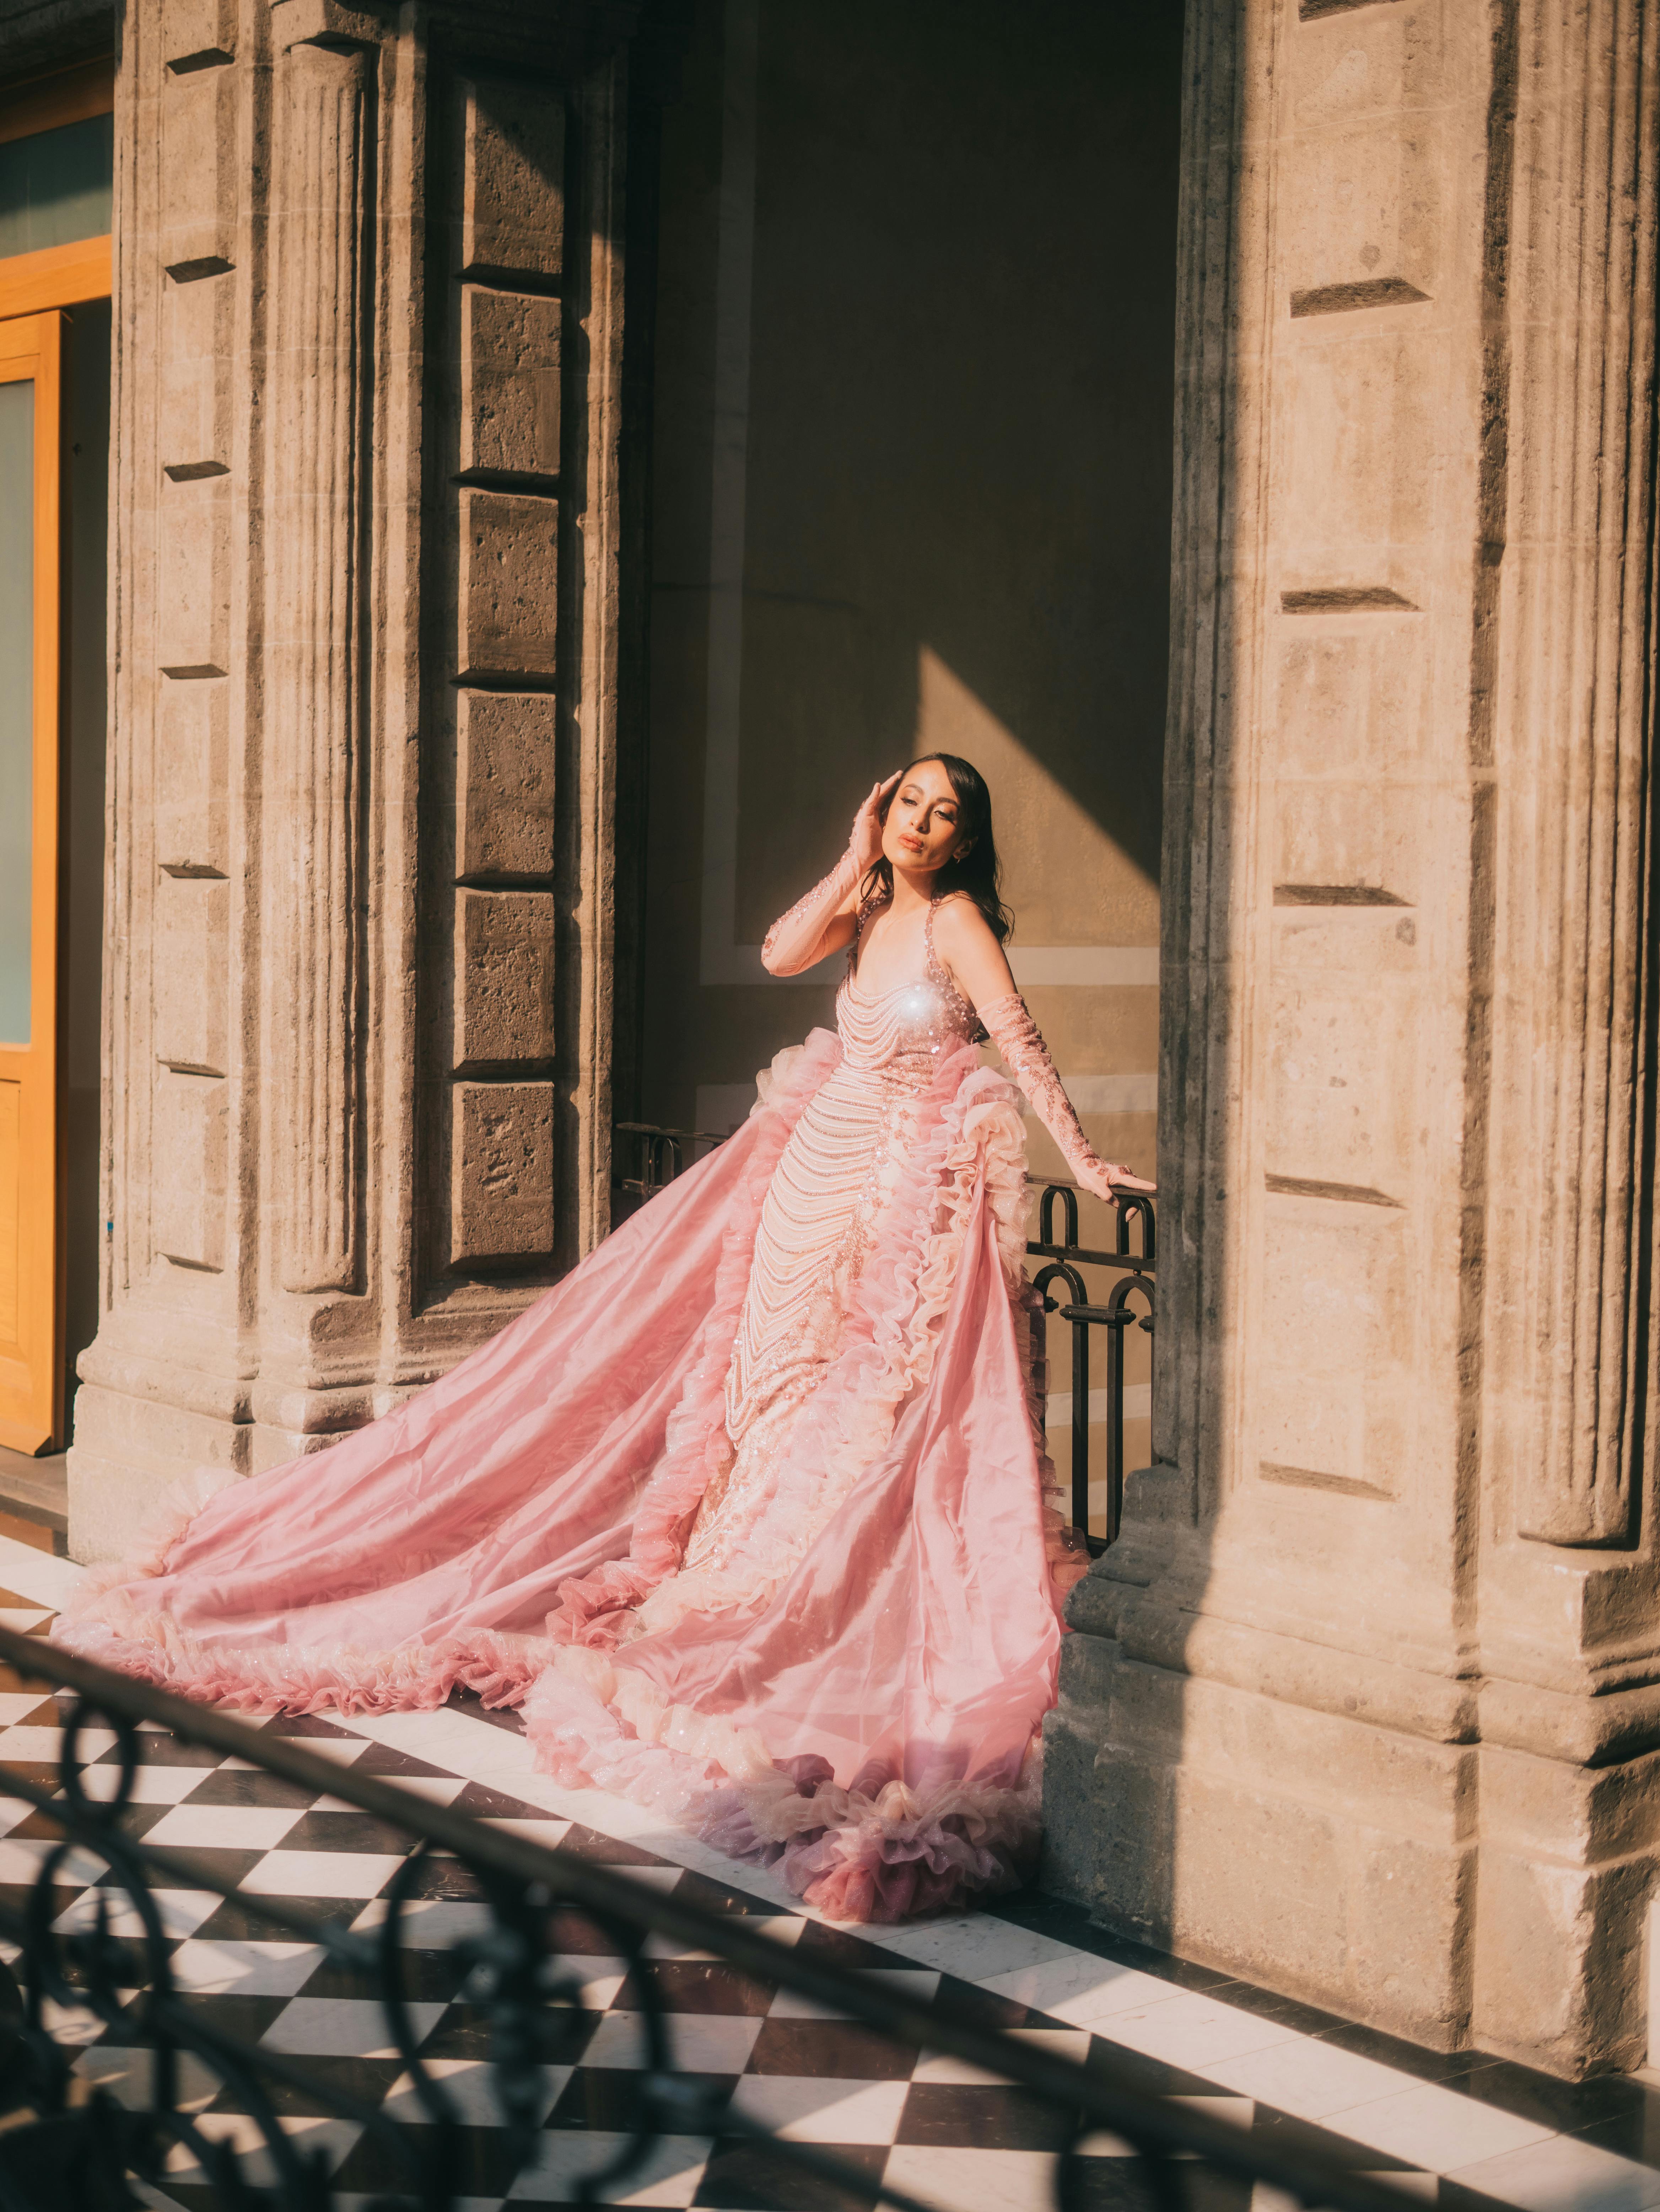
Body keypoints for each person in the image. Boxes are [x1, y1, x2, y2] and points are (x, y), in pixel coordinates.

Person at [57, 756, 1153, 1923]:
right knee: (765, 1390)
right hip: (807, 1181)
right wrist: (852, 854)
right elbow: (784, 952)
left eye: (947, 815)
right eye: (913, 806)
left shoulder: (958, 922)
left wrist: (1083, 1162)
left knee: (853, 1409)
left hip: (895, 1196)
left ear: (970, 836)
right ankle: (741, 1568)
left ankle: (792, 1594)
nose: (927, 828)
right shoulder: (875, 902)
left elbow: (1022, 1042)